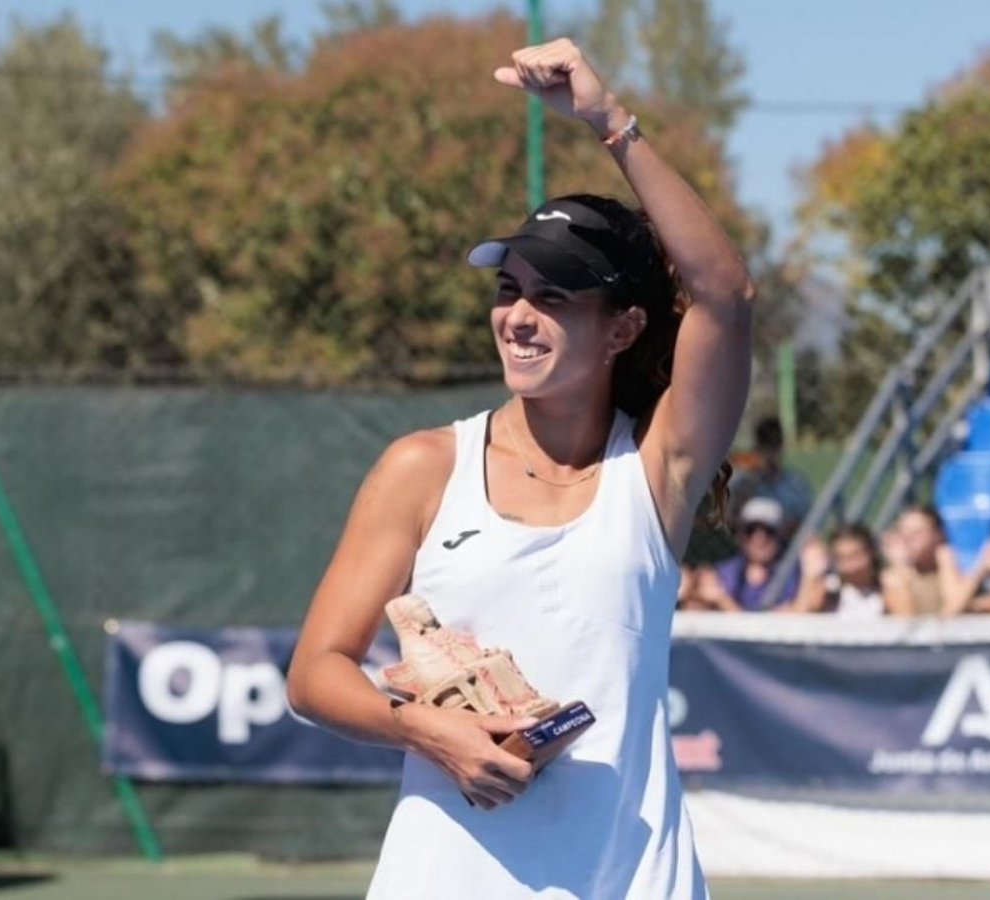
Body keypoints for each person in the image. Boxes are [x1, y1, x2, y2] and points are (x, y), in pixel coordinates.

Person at [285, 38, 753, 899]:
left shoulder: (656, 473)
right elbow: (315, 671)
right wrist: (427, 730)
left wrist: (612, 123)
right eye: (509, 290)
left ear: (622, 328)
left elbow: (725, 293)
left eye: (555, 296)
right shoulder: (422, 467)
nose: (519, 317)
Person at [689, 497, 801, 611]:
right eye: (751, 530)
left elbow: (769, 625)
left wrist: (722, 600)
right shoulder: (725, 573)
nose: (759, 539)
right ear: (740, 535)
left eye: (769, 531)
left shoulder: (792, 574)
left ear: (780, 535)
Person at [786, 524, 912, 617]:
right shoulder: (828, 589)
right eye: (841, 558)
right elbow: (799, 620)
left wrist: (902, 571)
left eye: (855, 556)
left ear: (871, 553)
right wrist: (809, 577)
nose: (850, 565)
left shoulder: (887, 588)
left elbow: (907, 619)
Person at [729, 416, 814, 530]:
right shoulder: (743, 482)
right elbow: (733, 520)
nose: (770, 454)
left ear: (781, 447)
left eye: (774, 446)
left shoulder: (796, 482)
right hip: (753, 539)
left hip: (789, 541)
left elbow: (806, 520)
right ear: (757, 448)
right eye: (766, 446)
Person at [880, 505, 964, 616]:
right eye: (903, 532)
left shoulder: (954, 566)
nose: (908, 538)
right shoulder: (892, 578)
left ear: (938, 534)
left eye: (916, 533)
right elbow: (906, 619)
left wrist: (947, 563)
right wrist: (900, 568)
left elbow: (953, 609)